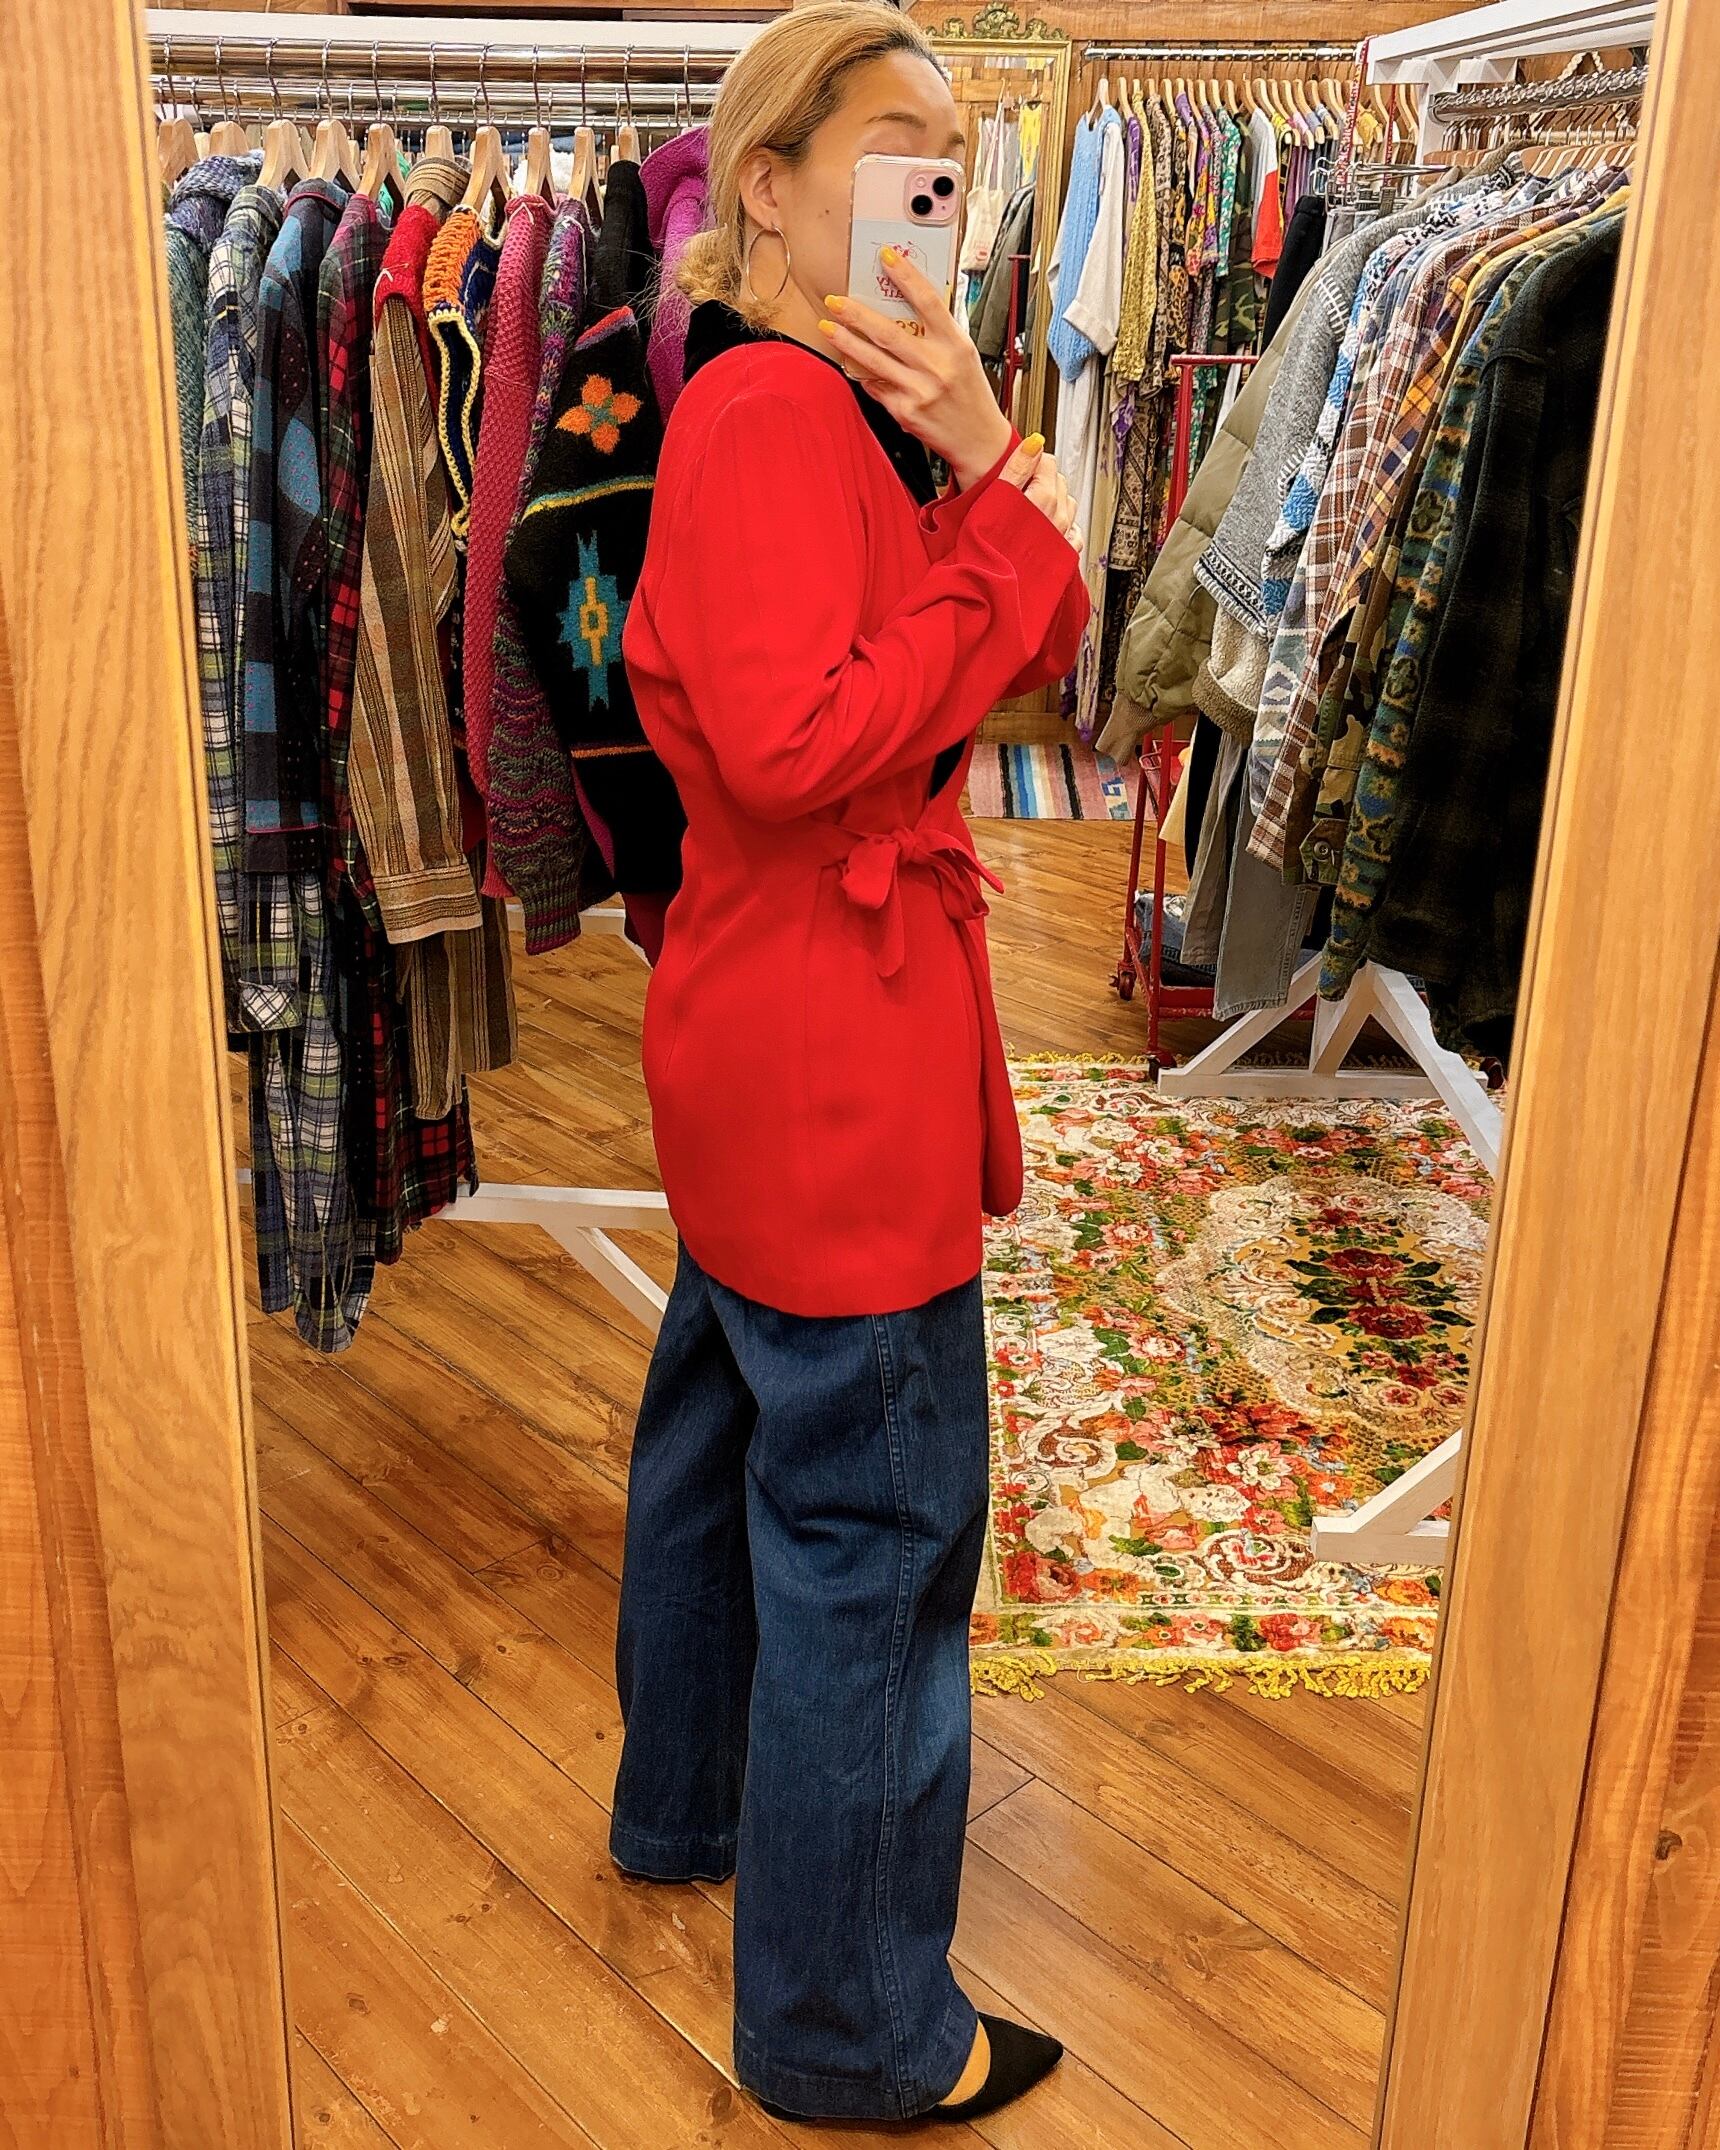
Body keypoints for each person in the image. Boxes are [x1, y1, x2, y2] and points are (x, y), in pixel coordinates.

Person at [611, 2, 1090, 2125]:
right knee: (877, 1533)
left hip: (777, 1021)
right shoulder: (774, 414)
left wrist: (987, 459)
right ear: (769, 181)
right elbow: (805, 737)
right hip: (832, 1037)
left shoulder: (819, 403)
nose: (933, 186)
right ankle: (850, 2027)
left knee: (725, 1427)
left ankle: (692, 1804)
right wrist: (1002, 522)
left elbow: (1008, 642)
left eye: (950, 161)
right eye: (892, 145)